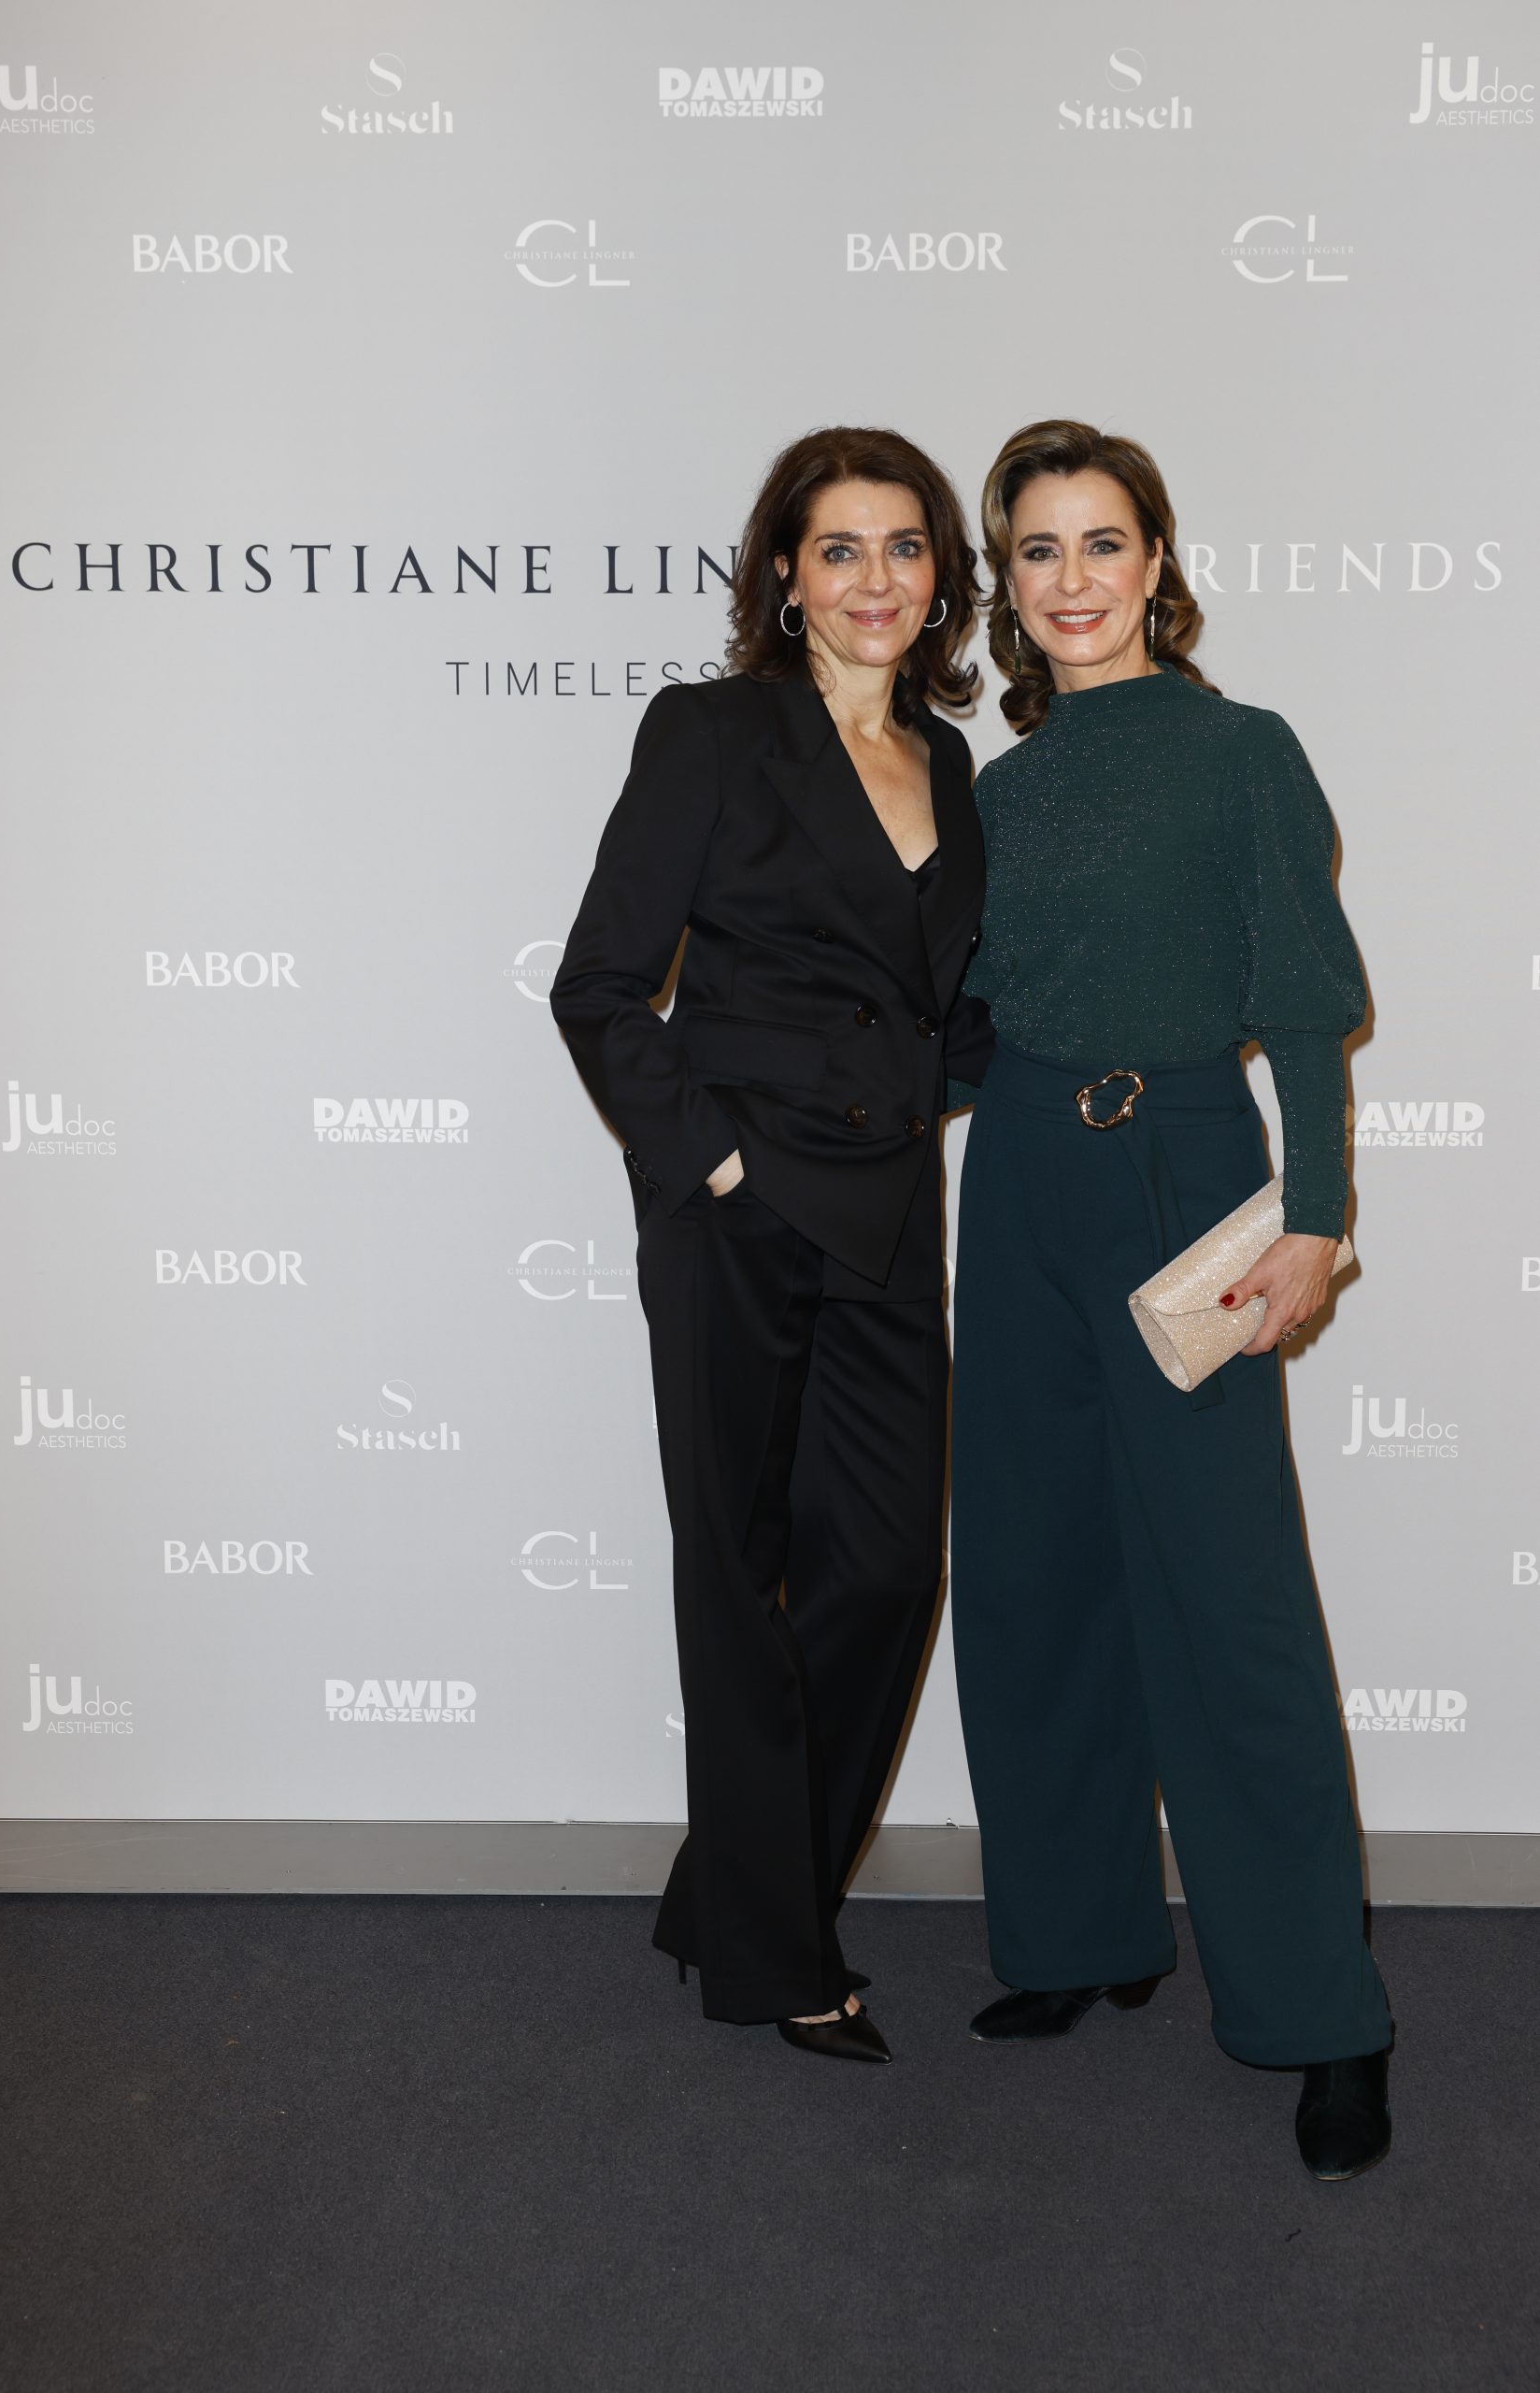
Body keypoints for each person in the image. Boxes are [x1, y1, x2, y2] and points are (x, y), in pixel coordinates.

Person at [947, 419, 1393, 2176]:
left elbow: (1308, 1003)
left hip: (1188, 1175)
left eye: (1102, 542)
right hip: (1022, 1178)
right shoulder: (1000, 789)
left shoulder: (1240, 752)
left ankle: (1324, 2016)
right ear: (1007, 581)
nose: (1073, 579)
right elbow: (968, 1020)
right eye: (1038, 549)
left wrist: (1320, 1219)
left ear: (1157, 562)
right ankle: (1080, 1938)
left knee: (1230, 1599)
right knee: (1032, 1571)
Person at [552, 427, 992, 2061]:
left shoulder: (952, 761)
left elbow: (943, 1012)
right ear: (786, 576)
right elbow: (600, 985)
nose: (877, 578)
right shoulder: (717, 731)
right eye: (841, 548)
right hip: (737, 1213)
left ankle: (730, 1897)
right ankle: (776, 1954)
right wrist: (715, 1160)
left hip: (887, 1211)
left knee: (882, 1570)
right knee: (739, 1579)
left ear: (941, 577)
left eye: (905, 547)